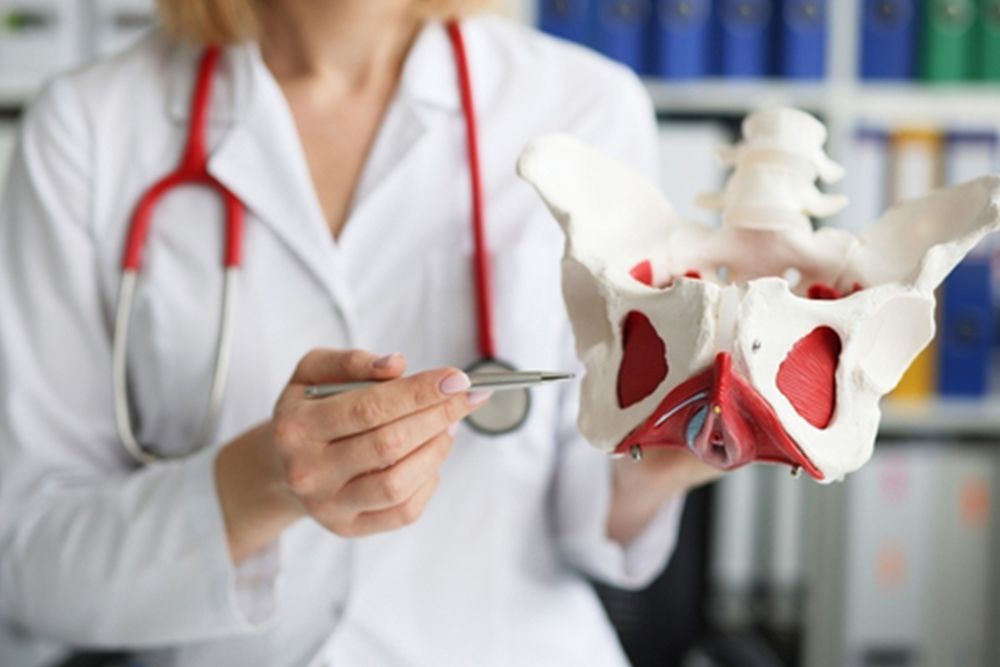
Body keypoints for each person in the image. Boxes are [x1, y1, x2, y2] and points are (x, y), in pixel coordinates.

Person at [0, 1, 720, 664]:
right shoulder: (88, 129)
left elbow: (591, 515)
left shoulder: (585, 108)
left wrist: (656, 465)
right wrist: (263, 481)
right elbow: (27, 566)